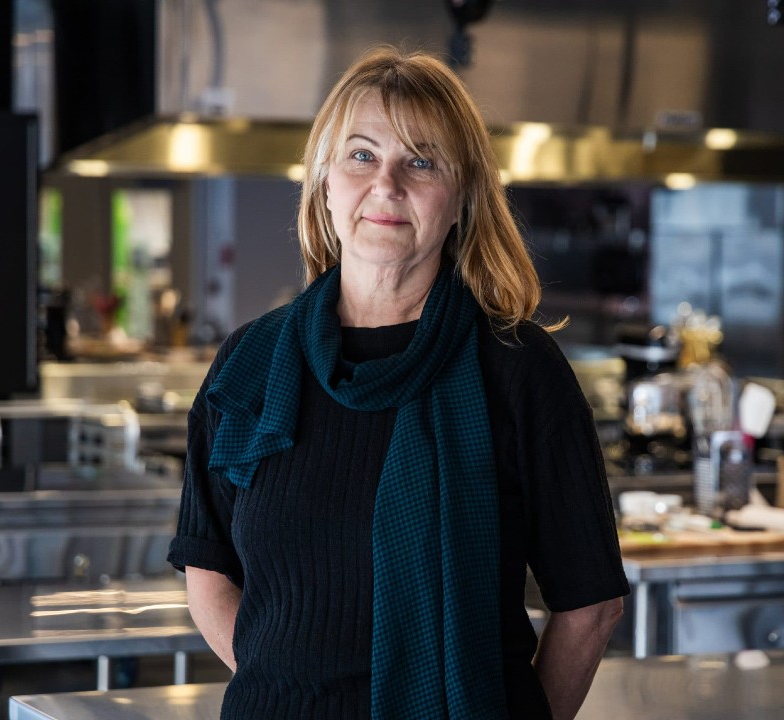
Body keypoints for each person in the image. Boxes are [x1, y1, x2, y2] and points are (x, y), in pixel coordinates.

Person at [167, 45, 629, 720]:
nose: (387, 184)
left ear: (463, 198)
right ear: (326, 180)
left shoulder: (519, 367)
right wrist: (293, 682)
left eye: (420, 160)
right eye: (361, 155)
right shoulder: (251, 361)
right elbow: (208, 566)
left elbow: (591, 605)